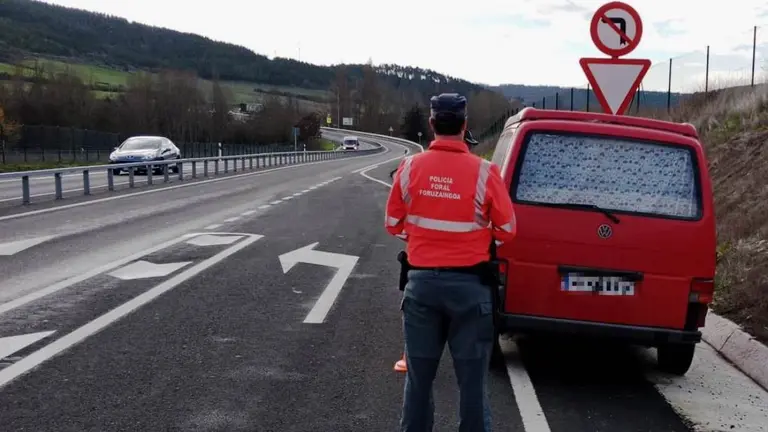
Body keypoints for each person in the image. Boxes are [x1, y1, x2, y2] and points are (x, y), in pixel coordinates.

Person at [385, 93, 517, 431]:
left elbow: (393, 224)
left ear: (432, 125)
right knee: (472, 386)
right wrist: (476, 242)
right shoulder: (486, 172)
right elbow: (507, 230)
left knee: (418, 381)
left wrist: (424, 243)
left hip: (422, 288)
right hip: (471, 291)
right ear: (464, 125)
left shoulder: (410, 167)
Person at [392, 126, 481, 374]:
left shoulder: (417, 168)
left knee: (417, 308)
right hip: (463, 269)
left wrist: (415, 236)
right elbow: (502, 227)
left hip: (421, 261)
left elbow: (394, 222)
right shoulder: (478, 173)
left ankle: (413, 357)